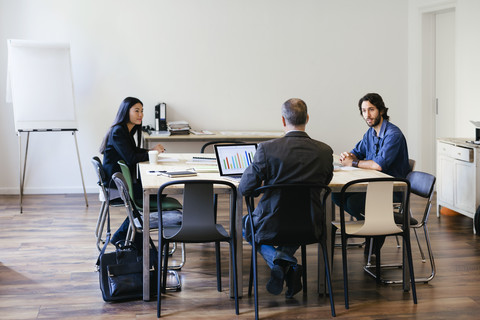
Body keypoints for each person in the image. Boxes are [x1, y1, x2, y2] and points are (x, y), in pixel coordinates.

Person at [239, 98, 333, 298]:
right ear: (307, 118)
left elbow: (245, 188)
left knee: (245, 225)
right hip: (311, 225)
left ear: (283, 121)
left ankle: (282, 264)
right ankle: (286, 265)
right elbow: (326, 181)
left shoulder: (266, 149)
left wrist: (265, 185)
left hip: (273, 224)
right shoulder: (325, 151)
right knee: (295, 223)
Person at [334, 92, 410, 253]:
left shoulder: (393, 134)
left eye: (371, 109)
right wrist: (348, 156)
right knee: (336, 195)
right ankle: (375, 226)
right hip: (372, 187)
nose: (367, 115)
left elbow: (378, 165)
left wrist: (353, 162)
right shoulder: (370, 133)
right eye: (363, 111)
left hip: (392, 190)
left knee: (354, 202)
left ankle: (377, 230)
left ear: (381, 110)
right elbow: (357, 152)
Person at [99, 97, 165, 246]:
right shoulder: (118, 131)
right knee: (158, 191)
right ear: (125, 111)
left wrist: (150, 151)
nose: (140, 114)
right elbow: (130, 157)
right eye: (136, 111)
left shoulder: (126, 130)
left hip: (121, 181)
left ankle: (131, 233)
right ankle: (125, 234)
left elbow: (133, 151)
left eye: (142, 111)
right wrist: (151, 152)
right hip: (115, 184)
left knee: (158, 191)